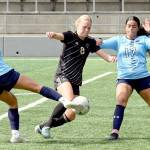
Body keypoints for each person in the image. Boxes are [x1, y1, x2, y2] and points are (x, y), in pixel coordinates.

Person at [35, 15, 116, 139]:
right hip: (62, 76)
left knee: (71, 115)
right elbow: (60, 36)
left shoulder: (90, 42)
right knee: (68, 98)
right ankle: (47, 126)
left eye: (89, 28)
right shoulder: (70, 36)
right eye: (84, 27)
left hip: (76, 81)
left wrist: (110, 58)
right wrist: (53, 34)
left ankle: (43, 126)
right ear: (77, 25)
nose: (87, 30)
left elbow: (102, 53)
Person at [0, 53, 82, 143]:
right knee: (37, 87)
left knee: (12, 103)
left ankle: (15, 135)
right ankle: (64, 100)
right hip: (5, 74)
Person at [99, 16, 150, 140]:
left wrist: (149, 32)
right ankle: (114, 132)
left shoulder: (144, 39)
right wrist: (98, 40)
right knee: (121, 99)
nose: (131, 28)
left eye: (134, 26)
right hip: (124, 78)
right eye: (129, 26)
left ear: (138, 28)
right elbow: (100, 44)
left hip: (143, 78)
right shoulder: (118, 40)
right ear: (125, 27)